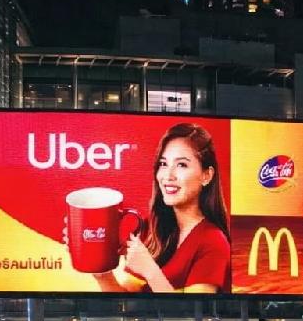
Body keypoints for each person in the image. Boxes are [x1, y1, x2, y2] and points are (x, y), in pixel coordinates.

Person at [93, 122, 230, 294]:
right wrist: (102, 274)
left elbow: (193, 314)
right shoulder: (151, 227)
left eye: (181, 165)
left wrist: (151, 272)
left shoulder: (213, 242)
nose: (168, 175)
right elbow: (125, 302)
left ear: (206, 175)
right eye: (163, 164)